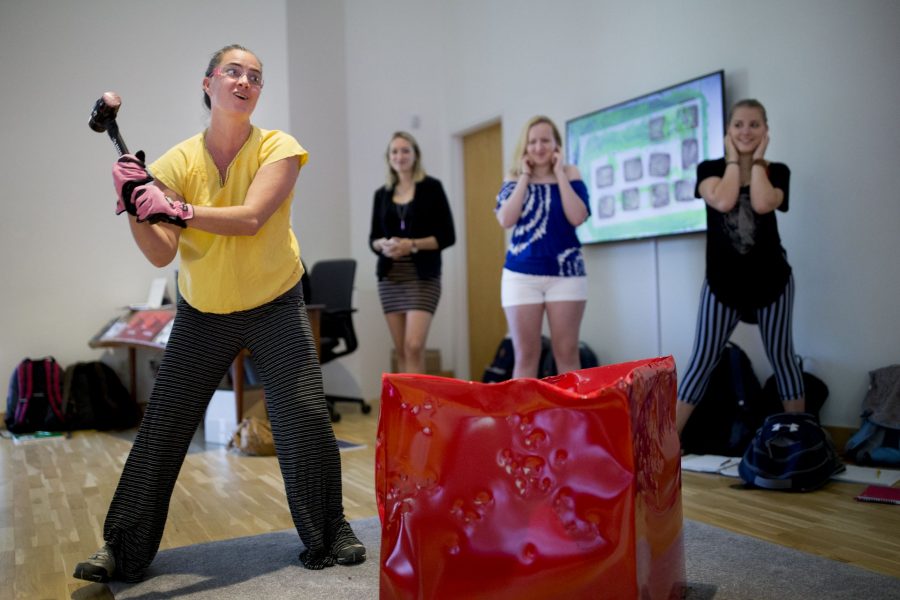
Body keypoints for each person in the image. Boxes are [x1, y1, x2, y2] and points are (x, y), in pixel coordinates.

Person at [73, 44, 365, 584]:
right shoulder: (176, 162)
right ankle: (123, 549)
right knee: (162, 427)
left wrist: (175, 208)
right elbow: (161, 249)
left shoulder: (279, 147)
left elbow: (252, 218)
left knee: (303, 418)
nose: (245, 80)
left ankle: (332, 531)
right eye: (233, 71)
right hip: (203, 311)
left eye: (255, 76)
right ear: (208, 83)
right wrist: (134, 203)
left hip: (275, 302)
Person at [676, 99, 805, 435]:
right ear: (727, 132)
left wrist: (757, 160)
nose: (746, 131)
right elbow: (723, 200)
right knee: (701, 362)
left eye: (754, 125)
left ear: (766, 131)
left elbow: (762, 202)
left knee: (783, 359)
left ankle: (800, 439)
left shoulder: (777, 171)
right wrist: (734, 160)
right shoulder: (708, 169)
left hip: (772, 283)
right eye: (738, 125)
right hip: (722, 285)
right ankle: (666, 445)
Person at [495, 116, 590, 379]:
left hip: (566, 274)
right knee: (526, 356)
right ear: (524, 146)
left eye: (545, 141)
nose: (539, 147)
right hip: (521, 275)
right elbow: (506, 219)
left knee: (567, 353)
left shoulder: (570, 173)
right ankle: (524, 421)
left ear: (556, 145)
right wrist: (525, 176)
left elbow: (577, 216)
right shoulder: (513, 176)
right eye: (533, 141)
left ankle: (570, 420)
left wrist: (559, 174)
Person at [369, 132, 455, 374]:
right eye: (394, 151)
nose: (400, 156)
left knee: (414, 345)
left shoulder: (432, 188)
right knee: (401, 350)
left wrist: (412, 244)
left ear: (416, 155)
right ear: (389, 158)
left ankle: (418, 409)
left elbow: (447, 236)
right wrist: (383, 245)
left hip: (423, 278)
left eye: (405, 150)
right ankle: (408, 408)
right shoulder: (382, 194)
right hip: (390, 277)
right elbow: (372, 238)